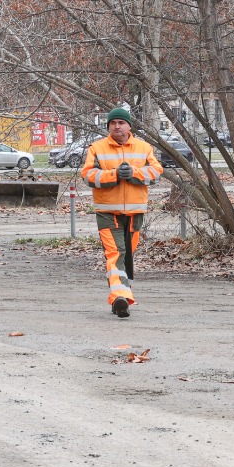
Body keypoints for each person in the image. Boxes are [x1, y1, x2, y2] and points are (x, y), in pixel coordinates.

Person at [81, 107, 163, 317]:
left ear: (129, 126)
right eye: (113, 123)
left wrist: (134, 172)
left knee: (126, 256)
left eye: (121, 122)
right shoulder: (97, 148)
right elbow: (88, 175)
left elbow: (156, 172)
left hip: (135, 212)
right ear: (108, 126)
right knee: (115, 253)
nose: (116, 126)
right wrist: (114, 175)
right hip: (107, 212)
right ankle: (120, 297)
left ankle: (121, 296)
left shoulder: (144, 147)